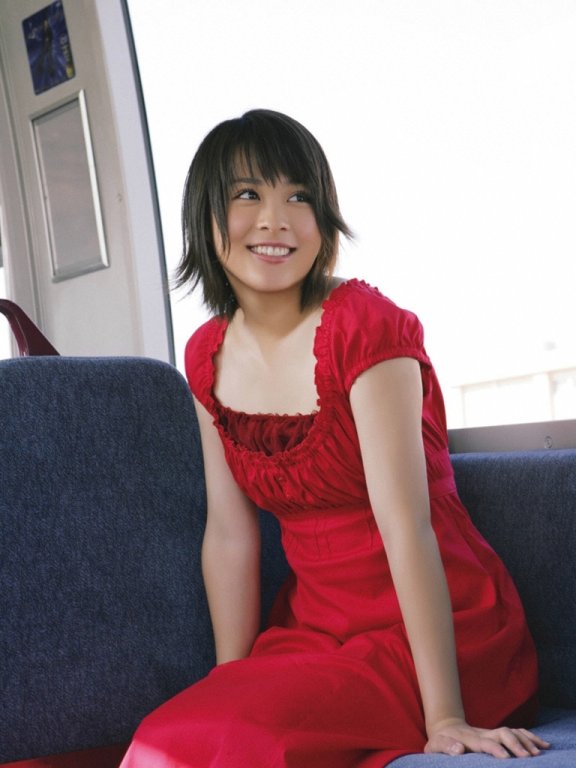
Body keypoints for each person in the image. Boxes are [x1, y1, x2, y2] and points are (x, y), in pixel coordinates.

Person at [120, 109, 549, 767]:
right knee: (185, 733)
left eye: (299, 196)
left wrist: (445, 716)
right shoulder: (206, 354)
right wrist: (228, 683)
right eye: (247, 194)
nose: (275, 219)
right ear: (205, 217)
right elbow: (229, 534)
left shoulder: (365, 327)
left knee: (212, 744)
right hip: (316, 632)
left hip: (438, 639)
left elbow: (406, 525)